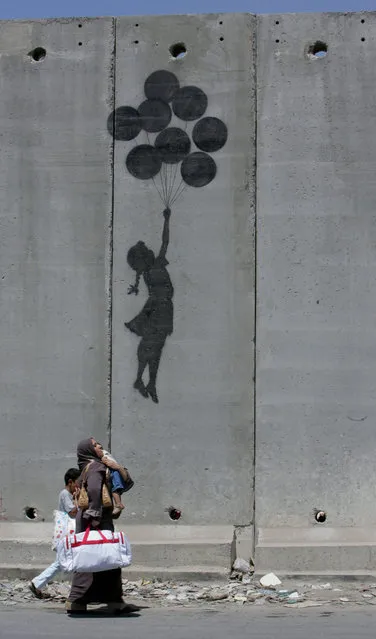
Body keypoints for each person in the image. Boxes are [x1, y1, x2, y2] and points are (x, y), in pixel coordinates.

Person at [66, 438, 131, 614]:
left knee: (91, 558)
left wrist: (117, 467)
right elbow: (95, 490)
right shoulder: (95, 467)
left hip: (89, 517)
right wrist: (95, 515)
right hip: (96, 518)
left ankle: (87, 601)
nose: (99, 447)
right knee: (105, 558)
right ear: (89, 450)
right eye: (95, 445)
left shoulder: (84, 469)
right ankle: (89, 600)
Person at [125, 207, 173, 404]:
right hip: (157, 309)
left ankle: (149, 382)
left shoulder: (149, 270)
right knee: (150, 346)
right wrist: (167, 220)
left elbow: (165, 242)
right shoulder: (156, 266)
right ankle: (140, 379)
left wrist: (166, 220)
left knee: (155, 347)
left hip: (163, 309)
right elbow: (165, 242)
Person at [29, 468, 80, 598]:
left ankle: (37, 583)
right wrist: (79, 499)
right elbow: (72, 512)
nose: (79, 486)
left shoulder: (70, 494)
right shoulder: (65, 494)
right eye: (77, 482)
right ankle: (36, 583)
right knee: (61, 563)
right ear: (70, 482)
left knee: (63, 562)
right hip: (65, 535)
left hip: (68, 536)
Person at [99, 444, 134, 517]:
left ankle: (118, 504)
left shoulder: (104, 456)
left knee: (115, 489)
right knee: (116, 490)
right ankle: (118, 504)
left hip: (105, 508)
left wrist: (118, 468)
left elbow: (128, 480)